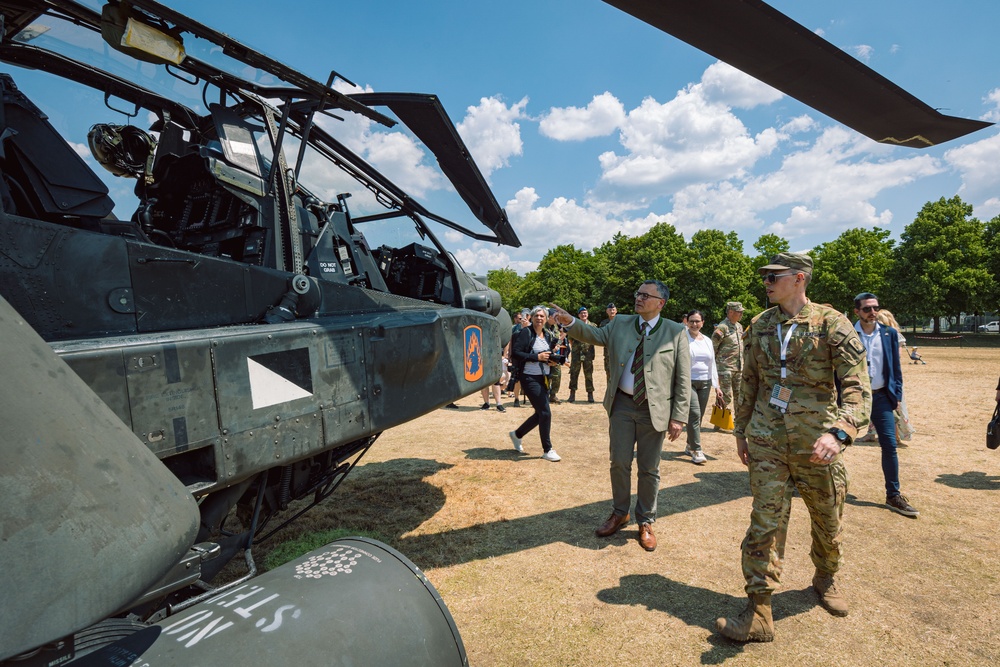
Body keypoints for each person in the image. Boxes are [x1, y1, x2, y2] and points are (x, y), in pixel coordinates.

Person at [716, 252, 871, 643]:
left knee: (828, 521)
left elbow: (856, 385)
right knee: (764, 523)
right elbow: (748, 380)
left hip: (816, 440)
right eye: (764, 277)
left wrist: (839, 432)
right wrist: (741, 430)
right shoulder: (760, 324)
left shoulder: (832, 323)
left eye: (774, 277)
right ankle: (759, 610)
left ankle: (825, 577)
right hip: (768, 438)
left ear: (799, 278)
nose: (765, 283)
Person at [551, 281, 690, 552]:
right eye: (638, 294)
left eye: (646, 295)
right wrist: (570, 322)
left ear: (661, 303)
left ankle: (646, 521)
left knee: (649, 468)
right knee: (619, 462)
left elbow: (683, 378)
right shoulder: (620, 323)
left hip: (655, 410)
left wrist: (679, 417)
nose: (639, 298)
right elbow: (594, 336)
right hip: (623, 406)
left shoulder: (676, 332)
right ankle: (620, 512)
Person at [853, 293, 918, 518]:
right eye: (867, 309)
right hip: (852, 397)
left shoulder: (889, 334)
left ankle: (893, 495)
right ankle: (819, 487)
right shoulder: (847, 333)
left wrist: (896, 395)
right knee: (837, 441)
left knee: (889, 444)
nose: (873, 312)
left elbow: (895, 367)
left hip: (881, 397)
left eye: (875, 308)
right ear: (857, 312)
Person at [509, 305, 562, 461]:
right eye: (536, 316)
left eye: (542, 316)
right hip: (528, 377)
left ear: (546, 319)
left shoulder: (547, 335)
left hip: (544, 377)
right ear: (531, 318)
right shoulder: (525, 333)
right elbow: (516, 353)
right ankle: (548, 449)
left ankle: (517, 434)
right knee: (545, 412)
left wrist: (551, 361)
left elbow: (548, 354)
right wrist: (536, 357)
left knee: (540, 413)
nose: (539, 318)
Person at [684, 309, 723, 465]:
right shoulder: (682, 338)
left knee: (698, 417)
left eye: (697, 321)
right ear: (686, 322)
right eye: (691, 321)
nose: (694, 324)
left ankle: (689, 444)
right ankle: (697, 450)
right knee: (694, 414)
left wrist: (716, 386)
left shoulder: (707, 340)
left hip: (705, 382)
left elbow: (712, 363)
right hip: (688, 381)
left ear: (702, 323)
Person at [712, 301, 745, 425]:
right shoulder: (722, 328)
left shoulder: (739, 326)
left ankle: (739, 422)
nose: (741, 314)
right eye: (739, 312)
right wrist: (714, 367)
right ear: (731, 312)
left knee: (740, 395)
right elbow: (713, 347)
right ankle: (719, 422)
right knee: (725, 396)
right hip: (724, 367)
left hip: (738, 367)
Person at [568, 306, 597, 403]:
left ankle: (590, 395)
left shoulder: (593, 325)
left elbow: (596, 338)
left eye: (585, 313)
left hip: (588, 354)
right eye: (581, 313)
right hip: (576, 354)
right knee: (574, 374)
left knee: (588, 375)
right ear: (578, 315)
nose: (583, 315)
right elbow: (570, 339)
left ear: (587, 314)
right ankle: (572, 394)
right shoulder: (574, 325)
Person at [545, 309, 570, 404]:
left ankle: (553, 395)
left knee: (557, 374)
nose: (557, 319)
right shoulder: (542, 327)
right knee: (546, 376)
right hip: (545, 354)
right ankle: (544, 395)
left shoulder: (556, 327)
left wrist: (558, 344)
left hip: (555, 354)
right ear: (549, 317)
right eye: (555, 317)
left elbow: (561, 336)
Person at [601, 302, 617, 381]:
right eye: (610, 310)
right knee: (609, 372)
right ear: (607, 311)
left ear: (616, 311)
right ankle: (610, 391)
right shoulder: (603, 323)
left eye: (613, 309)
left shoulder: (621, 322)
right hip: (608, 352)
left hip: (619, 352)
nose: (612, 311)